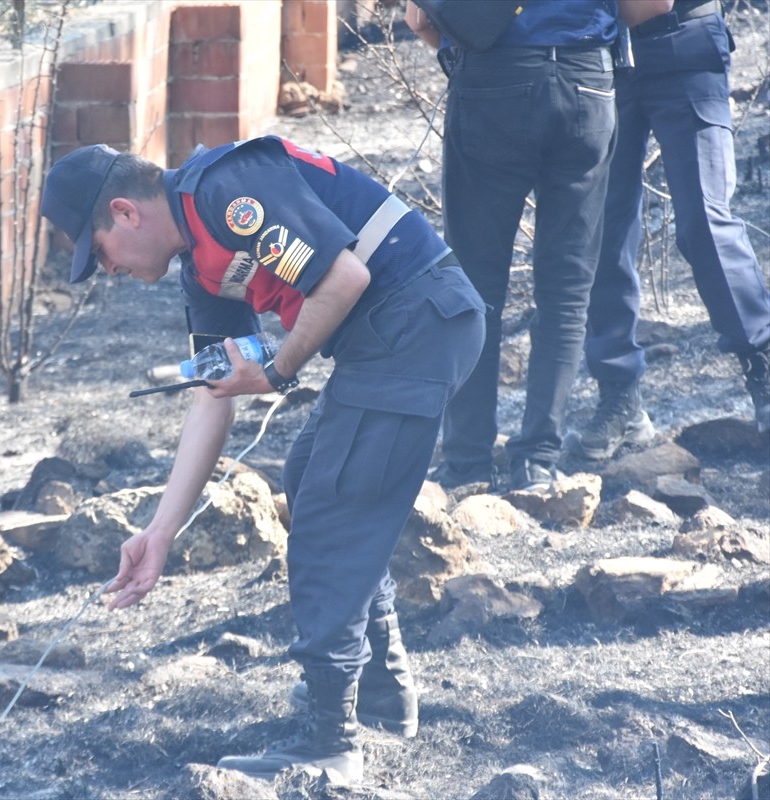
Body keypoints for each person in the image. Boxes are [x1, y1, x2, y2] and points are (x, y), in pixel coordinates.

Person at [40, 137, 485, 784]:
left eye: (99, 251)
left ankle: (331, 744)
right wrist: (159, 532)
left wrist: (277, 370)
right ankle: (381, 695)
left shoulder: (224, 193)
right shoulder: (200, 265)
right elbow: (212, 396)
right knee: (309, 479)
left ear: (125, 212)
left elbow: (345, 278)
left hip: (418, 318)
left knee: (332, 518)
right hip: (393, 335)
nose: (106, 270)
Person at [408, 0, 623, 490]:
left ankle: (466, 463)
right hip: (587, 80)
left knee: (475, 288)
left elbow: (418, 18)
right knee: (566, 291)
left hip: (492, 77)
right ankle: (537, 461)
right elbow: (655, 5)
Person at [568, 0, 770, 460]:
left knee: (704, 221)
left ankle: (762, 362)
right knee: (599, 231)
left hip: (683, 45)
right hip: (599, 58)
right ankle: (620, 398)